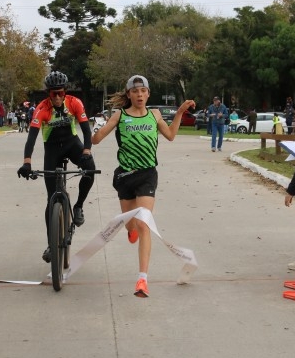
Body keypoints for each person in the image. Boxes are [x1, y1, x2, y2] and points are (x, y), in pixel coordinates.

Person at [91, 75, 195, 298]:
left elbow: (170, 135)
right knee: (131, 227)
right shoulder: (120, 116)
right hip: (125, 177)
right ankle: (131, 232)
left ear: (148, 93)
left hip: (148, 175)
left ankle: (142, 280)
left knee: (144, 224)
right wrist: (92, 127)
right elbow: (96, 139)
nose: (139, 95)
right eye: (135, 91)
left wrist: (179, 113)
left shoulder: (154, 115)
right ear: (128, 94)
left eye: (143, 91)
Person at [17, 71, 96, 262]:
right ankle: (51, 245)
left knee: (90, 170)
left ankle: (78, 207)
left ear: (66, 91)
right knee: (51, 199)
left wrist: (86, 151)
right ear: (48, 94)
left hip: (72, 144)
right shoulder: (41, 109)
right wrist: (27, 162)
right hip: (52, 150)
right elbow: (32, 138)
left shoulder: (75, 103)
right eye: (54, 94)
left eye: (61, 93)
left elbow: (86, 130)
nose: (58, 97)